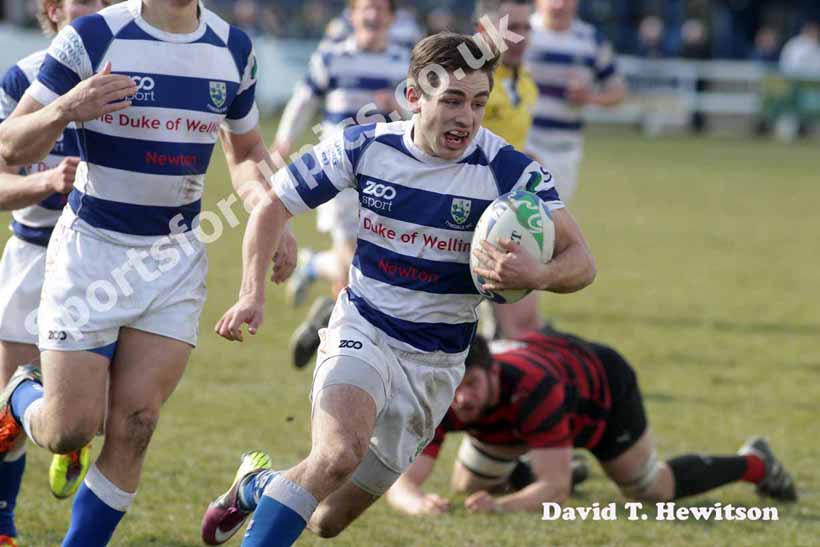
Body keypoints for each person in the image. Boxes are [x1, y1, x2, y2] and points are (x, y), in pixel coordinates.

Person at [201, 31, 596, 546]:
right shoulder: (364, 146)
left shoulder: (509, 171)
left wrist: (536, 276)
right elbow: (273, 203)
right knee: (336, 455)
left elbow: (582, 261)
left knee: (325, 519)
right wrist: (251, 293)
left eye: (478, 102)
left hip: (436, 363)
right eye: (451, 100)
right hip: (364, 328)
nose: (466, 117)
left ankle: (256, 486)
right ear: (414, 96)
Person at [0, 1, 295, 544]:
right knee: (69, 430)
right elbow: (10, 143)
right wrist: (66, 107)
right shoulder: (91, 36)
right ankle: (20, 390)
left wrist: (266, 208)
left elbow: (248, 148)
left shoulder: (234, 48)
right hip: (91, 254)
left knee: (136, 424)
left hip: (174, 258)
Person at [386, 328, 797, 515]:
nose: (463, 398)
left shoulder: (534, 390)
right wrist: (417, 504)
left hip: (599, 389)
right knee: (468, 487)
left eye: (472, 383)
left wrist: (503, 508)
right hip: (524, 407)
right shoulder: (445, 394)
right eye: (457, 386)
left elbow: (557, 493)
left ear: (492, 372)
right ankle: (548, 465)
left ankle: (756, 462)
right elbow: (402, 482)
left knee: (651, 491)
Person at [0, 1, 110, 544]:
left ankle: (76, 438)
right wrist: (46, 184)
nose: (100, 10)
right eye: (87, 0)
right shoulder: (20, 78)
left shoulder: (130, 74)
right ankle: (1, 524)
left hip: (107, 260)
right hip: (34, 255)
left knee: (108, 412)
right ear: (54, 10)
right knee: (8, 418)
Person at [275, 0, 410, 369]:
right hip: (337, 174)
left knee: (370, 262)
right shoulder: (332, 57)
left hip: (386, 175)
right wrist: (285, 140)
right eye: (366, 8)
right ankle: (342, 348)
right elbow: (305, 99)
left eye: (381, 9)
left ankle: (314, 267)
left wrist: (397, 102)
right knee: (353, 267)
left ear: (391, 18)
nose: (373, 15)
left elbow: (420, 113)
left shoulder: (404, 62)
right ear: (352, 15)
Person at [526, 0, 626, 203]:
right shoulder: (518, 32)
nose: (559, 4)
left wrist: (590, 97)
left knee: (549, 224)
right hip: (524, 143)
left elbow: (618, 91)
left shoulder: (591, 39)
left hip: (565, 150)